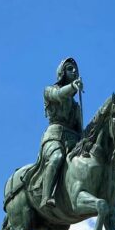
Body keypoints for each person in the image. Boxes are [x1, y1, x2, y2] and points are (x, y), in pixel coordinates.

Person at [40, 57, 84, 208]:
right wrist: (72, 86)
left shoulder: (76, 107)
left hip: (73, 141)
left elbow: (80, 130)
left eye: (75, 70)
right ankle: (46, 197)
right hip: (54, 137)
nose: (74, 71)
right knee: (57, 157)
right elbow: (59, 95)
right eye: (70, 69)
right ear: (62, 72)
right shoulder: (49, 90)